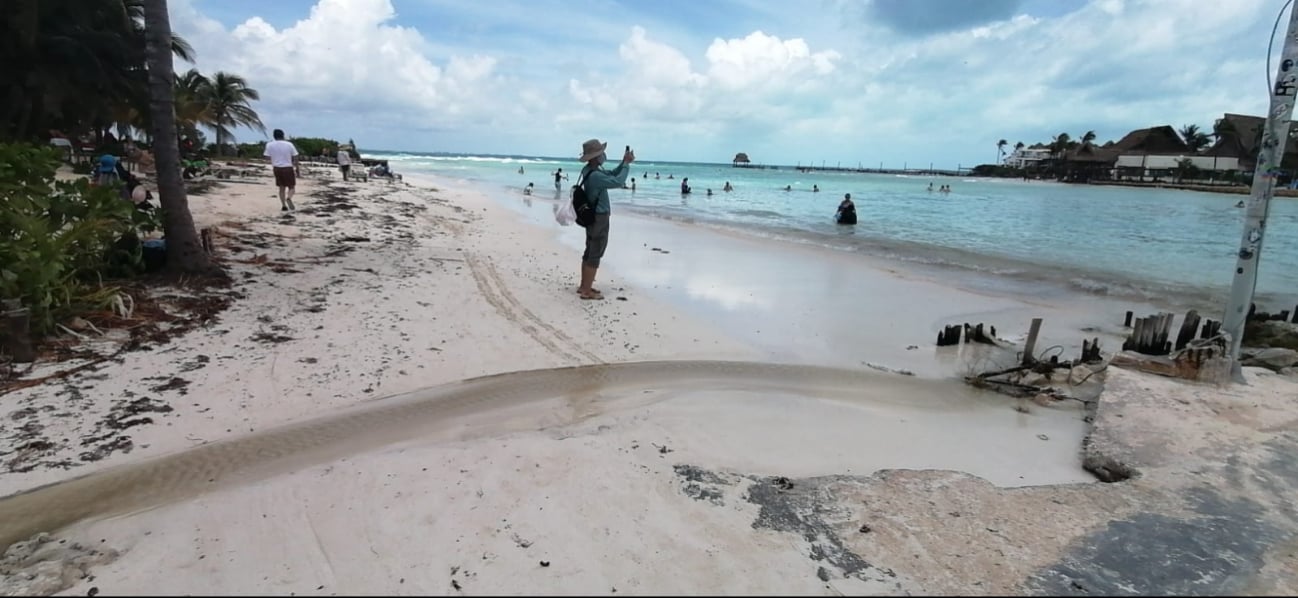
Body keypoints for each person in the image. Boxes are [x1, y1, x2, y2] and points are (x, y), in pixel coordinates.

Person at [575, 138, 634, 300]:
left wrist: (623, 163)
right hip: (598, 217)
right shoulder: (595, 175)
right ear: (595, 157)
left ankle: (584, 286)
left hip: (592, 216)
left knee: (589, 250)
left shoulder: (589, 171)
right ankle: (587, 290)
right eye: (601, 153)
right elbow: (618, 181)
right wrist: (627, 165)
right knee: (595, 251)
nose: (603, 156)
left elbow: (612, 174)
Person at [263, 129, 300, 212]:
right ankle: (289, 198)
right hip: (287, 167)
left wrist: (274, 160)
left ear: (274, 136)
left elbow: (267, 157)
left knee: (281, 188)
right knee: (291, 187)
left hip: (276, 168)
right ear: (283, 135)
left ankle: (283, 205)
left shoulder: (269, 145)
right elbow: (296, 156)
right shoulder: (289, 144)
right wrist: (297, 168)